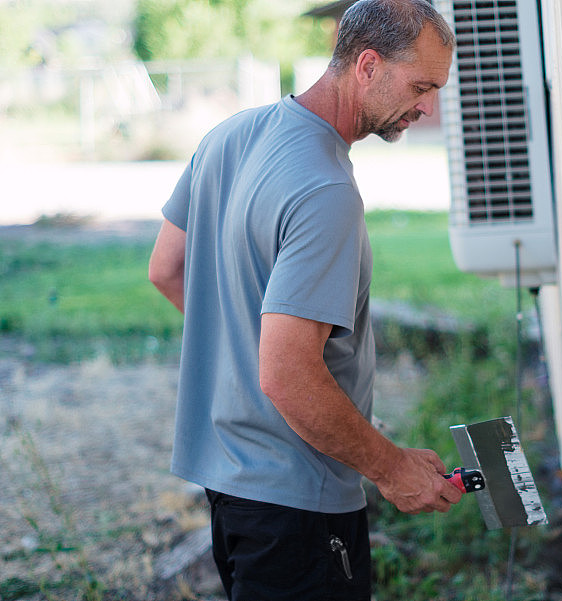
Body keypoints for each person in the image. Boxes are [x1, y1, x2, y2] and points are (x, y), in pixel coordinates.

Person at [148, 1, 461, 599]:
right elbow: (288, 374)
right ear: (367, 65)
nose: (427, 108)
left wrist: (249, 351)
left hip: (230, 487)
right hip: (299, 502)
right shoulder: (325, 191)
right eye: (422, 86)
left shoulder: (231, 136)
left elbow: (166, 268)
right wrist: (392, 469)